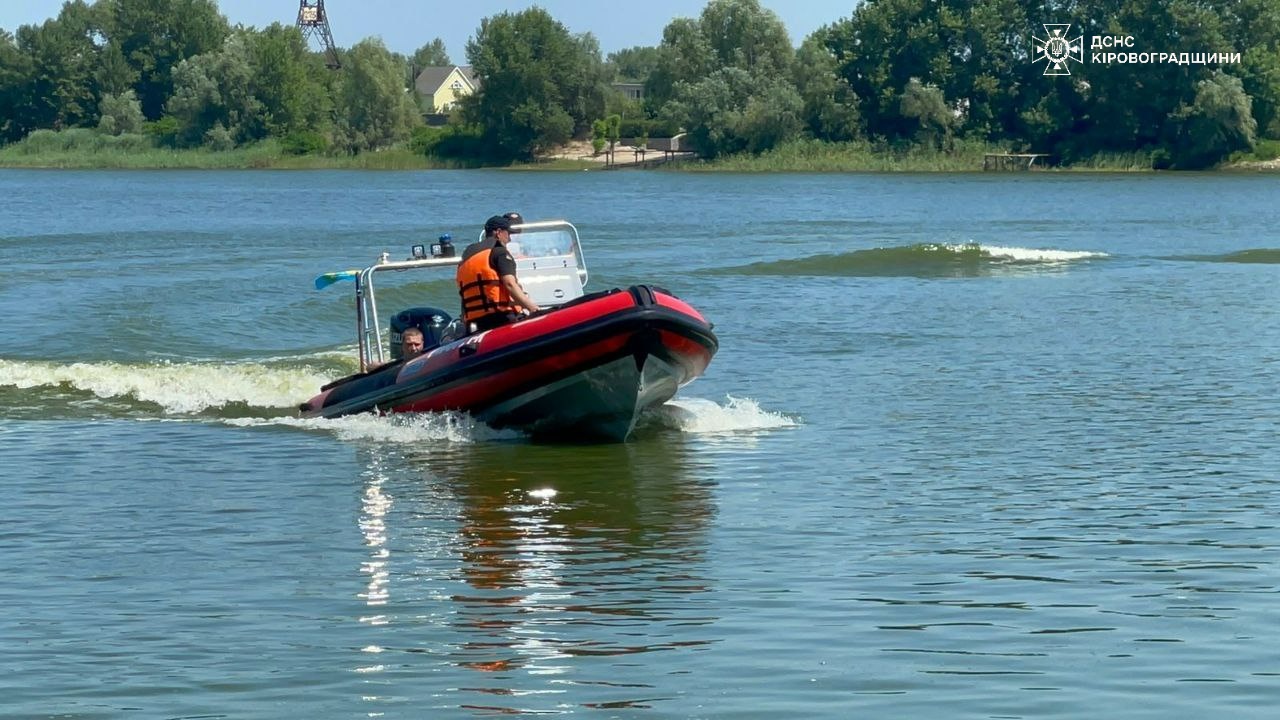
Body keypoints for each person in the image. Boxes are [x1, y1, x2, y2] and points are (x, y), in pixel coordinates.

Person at [456, 215, 540, 332]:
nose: (510, 238)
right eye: (508, 234)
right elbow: (510, 284)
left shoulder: (467, 256)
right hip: (501, 318)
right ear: (498, 232)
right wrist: (533, 309)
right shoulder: (499, 252)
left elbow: (465, 295)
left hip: (475, 322)